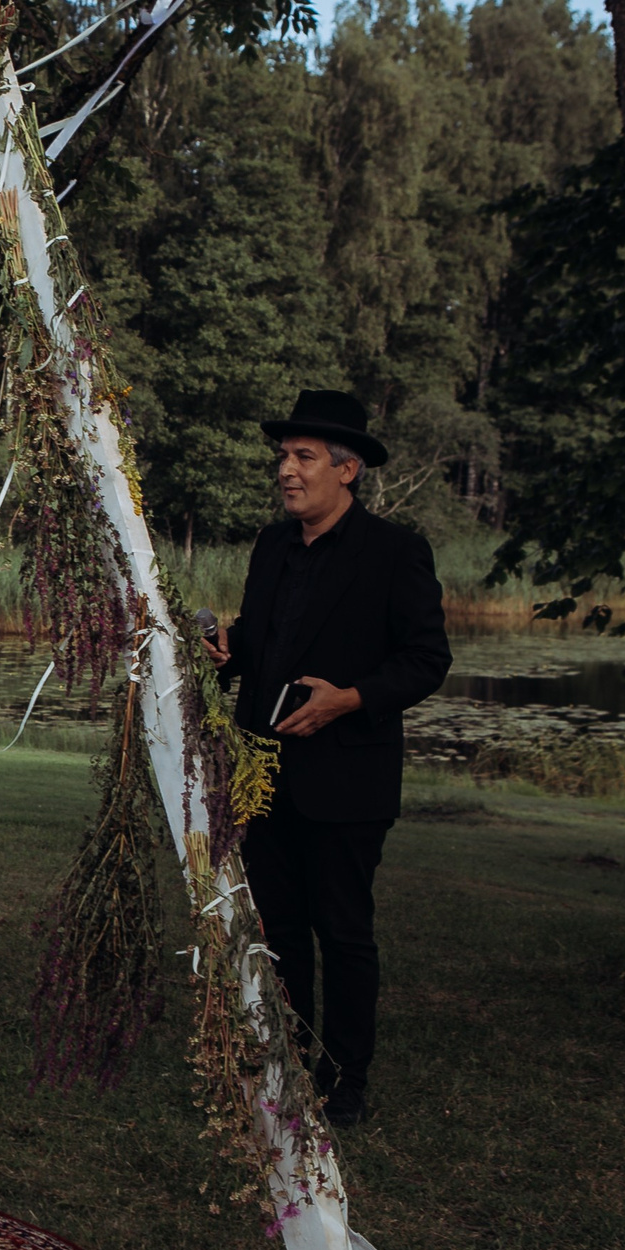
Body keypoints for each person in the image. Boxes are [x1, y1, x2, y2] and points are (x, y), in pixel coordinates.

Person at [210, 389, 451, 1129]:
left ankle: (344, 1078)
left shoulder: (394, 552)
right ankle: (284, 1058)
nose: (286, 469)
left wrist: (351, 696)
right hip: (264, 776)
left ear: (346, 470)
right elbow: (262, 638)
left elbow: (426, 658)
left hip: (347, 780)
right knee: (277, 931)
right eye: (283, 456)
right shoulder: (271, 545)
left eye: (302, 456)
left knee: (342, 932)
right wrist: (227, 648)